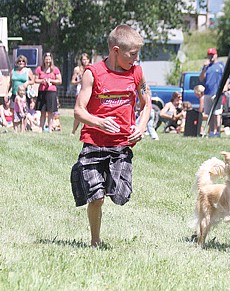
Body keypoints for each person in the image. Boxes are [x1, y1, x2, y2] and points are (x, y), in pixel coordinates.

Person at [70, 24, 151, 247]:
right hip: (94, 143)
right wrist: (99, 122)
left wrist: (141, 127)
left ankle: (107, 185)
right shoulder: (93, 73)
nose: (135, 59)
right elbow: (78, 110)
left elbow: (146, 104)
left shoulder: (137, 73)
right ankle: (95, 241)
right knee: (95, 196)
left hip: (121, 145)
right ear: (115, 50)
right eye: (132, 54)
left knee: (120, 196)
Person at [199, 48, 227, 137]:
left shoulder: (221, 65)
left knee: (217, 113)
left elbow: (226, 77)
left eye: (212, 54)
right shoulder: (207, 67)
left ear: (216, 55)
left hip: (217, 92)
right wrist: (204, 68)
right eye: (209, 55)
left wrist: (225, 88)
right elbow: (201, 78)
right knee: (209, 113)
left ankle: (217, 131)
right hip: (208, 92)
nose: (211, 57)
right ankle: (211, 131)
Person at [35, 52, 62, 133]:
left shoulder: (55, 69)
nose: (47, 61)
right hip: (42, 91)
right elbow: (35, 79)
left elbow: (59, 81)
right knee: (42, 111)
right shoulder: (39, 69)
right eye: (46, 59)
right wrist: (42, 80)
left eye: (49, 59)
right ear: (43, 60)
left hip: (51, 92)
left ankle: (50, 128)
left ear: (51, 60)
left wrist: (51, 81)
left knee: (50, 111)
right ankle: (41, 128)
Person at [71, 53, 90, 135]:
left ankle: (86, 130)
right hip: (80, 90)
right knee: (79, 111)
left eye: (86, 59)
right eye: (83, 59)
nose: (85, 61)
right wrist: (80, 81)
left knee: (88, 111)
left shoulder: (91, 68)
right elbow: (72, 81)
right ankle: (74, 130)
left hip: (89, 91)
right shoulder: (77, 69)